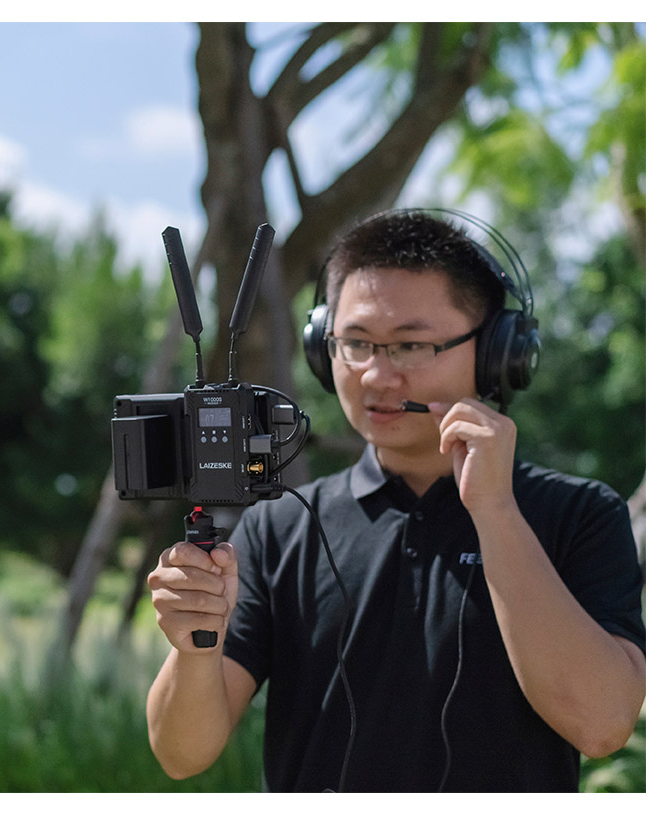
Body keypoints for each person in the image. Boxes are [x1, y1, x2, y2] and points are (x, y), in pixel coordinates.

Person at [144, 210, 646, 792]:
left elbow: (602, 725)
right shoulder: (277, 529)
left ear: (497, 352)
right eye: (356, 344)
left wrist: (496, 511)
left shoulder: (580, 515)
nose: (376, 376)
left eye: (411, 345)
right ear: (321, 347)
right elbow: (181, 755)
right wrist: (194, 647)